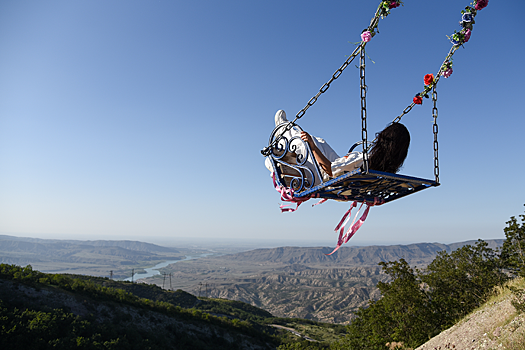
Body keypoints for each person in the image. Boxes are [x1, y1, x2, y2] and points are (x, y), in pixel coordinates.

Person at [265, 110, 410, 185]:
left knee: (305, 142)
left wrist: (312, 146)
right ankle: (287, 133)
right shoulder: (387, 172)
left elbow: (330, 169)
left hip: (323, 178)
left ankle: (282, 129)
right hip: (341, 180)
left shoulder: (364, 160)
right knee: (321, 141)